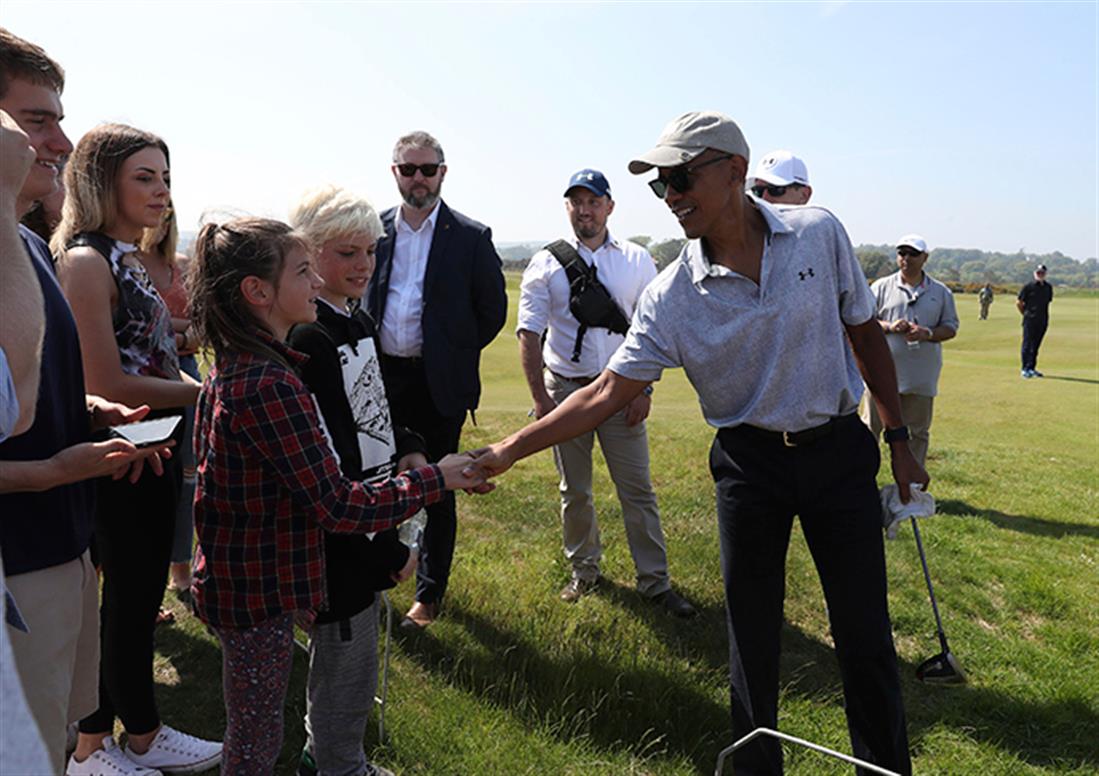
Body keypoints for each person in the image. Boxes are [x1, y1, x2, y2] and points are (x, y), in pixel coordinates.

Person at [470, 111, 925, 775]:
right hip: (749, 467)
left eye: (681, 177)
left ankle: (883, 769)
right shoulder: (669, 296)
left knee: (863, 635)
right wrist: (509, 447)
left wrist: (899, 441)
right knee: (751, 637)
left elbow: (861, 334)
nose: (671, 194)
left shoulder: (818, 233)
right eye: (661, 185)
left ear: (735, 172)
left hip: (836, 451)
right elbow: (601, 394)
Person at [188, 216, 486, 775]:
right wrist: (436, 479)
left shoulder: (246, 369)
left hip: (254, 586)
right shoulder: (270, 385)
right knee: (253, 740)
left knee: (257, 725)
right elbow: (338, 504)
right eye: (304, 271)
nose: (318, 284)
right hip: (257, 595)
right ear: (258, 292)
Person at [1, 31, 172, 775]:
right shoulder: (67, 255)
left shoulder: (26, 246)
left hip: (61, 545)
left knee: (60, 739)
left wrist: (90, 407)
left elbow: (34, 387)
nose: (60, 141)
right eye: (38, 121)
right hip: (19, 558)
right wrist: (42, 474)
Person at [53, 123, 221, 775]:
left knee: (136, 595)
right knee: (123, 602)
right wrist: (207, 399)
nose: (162, 192)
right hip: (120, 456)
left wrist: (195, 388)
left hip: (151, 449)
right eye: (144, 177)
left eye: (166, 177)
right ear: (100, 183)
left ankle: (124, 737)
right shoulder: (88, 261)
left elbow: (154, 358)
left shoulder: (127, 256)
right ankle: (109, 743)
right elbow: (105, 382)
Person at [288, 186, 426, 776]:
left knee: (356, 649)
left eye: (370, 251)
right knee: (343, 653)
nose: (364, 265)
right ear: (310, 255)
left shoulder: (357, 319)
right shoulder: (309, 336)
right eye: (346, 252)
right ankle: (337, 763)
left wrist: (412, 449)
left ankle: (332, 750)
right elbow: (332, 448)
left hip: (372, 509)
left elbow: (378, 408)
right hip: (339, 527)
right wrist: (382, 541)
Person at [516, 168, 694, 616]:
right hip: (566, 391)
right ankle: (584, 572)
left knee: (637, 491)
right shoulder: (545, 263)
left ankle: (655, 583)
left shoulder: (637, 259)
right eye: (576, 202)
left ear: (609, 207)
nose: (585, 210)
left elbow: (653, 328)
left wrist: (645, 388)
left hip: (621, 391)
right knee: (574, 490)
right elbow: (530, 333)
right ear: (568, 208)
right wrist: (541, 400)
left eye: (593, 201)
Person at [368, 130, 508, 630]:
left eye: (428, 169)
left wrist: (451, 352)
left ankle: (428, 595)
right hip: (379, 378)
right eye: (409, 170)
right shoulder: (373, 229)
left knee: (438, 486)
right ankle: (378, 573)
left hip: (438, 383)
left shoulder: (471, 237)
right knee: (375, 479)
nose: (419, 179)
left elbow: (492, 311)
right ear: (395, 174)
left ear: (443, 173)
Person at [137, 204, 198, 597]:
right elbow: (132, 329)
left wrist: (170, 338)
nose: (162, 220)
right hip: (139, 376)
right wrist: (175, 335)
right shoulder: (124, 264)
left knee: (188, 475)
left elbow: (201, 324)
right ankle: (142, 576)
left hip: (185, 370)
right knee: (146, 470)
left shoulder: (182, 265)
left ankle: (180, 566)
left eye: (169, 214)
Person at [861, 235, 959, 466]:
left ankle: (912, 492)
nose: (906, 258)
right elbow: (864, 322)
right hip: (881, 375)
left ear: (925, 258)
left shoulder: (941, 292)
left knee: (917, 433)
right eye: (901, 253)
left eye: (912, 254)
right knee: (869, 430)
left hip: (920, 378)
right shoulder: (881, 287)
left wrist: (928, 334)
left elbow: (950, 328)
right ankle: (863, 483)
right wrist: (889, 326)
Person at [1017, 264, 1053, 378]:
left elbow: (1047, 302)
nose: (1040, 275)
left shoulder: (1048, 287)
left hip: (1042, 320)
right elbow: (1019, 303)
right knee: (1027, 344)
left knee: (1036, 345)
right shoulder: (1028, 287)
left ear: (1046, 274)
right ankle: (1025, 368)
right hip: (1030, 320)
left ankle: (1032, 367)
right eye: (1038, 273)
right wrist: (1026, 314)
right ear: (1034, 274)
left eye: (1042, 273)